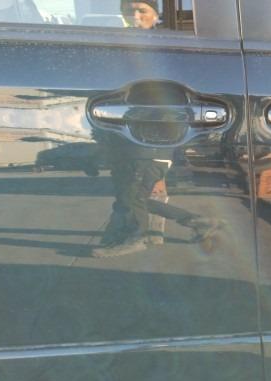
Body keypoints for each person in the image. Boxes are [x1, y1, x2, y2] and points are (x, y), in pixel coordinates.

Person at [92, 1, 224, 258]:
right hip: (131, 142)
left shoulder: (164, 47)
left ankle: (135, 237)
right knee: (133, 196)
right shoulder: (121, 45)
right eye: (129, 10)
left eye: (142, 10)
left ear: (156, 15)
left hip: (150, 141)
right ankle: (198, 221)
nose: (135, 15)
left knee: (133, 196)